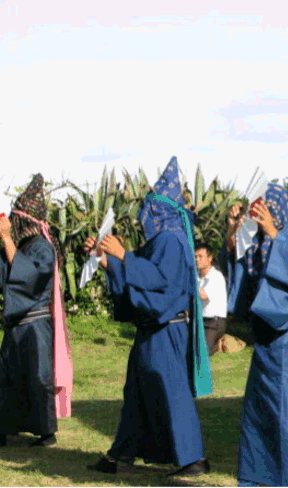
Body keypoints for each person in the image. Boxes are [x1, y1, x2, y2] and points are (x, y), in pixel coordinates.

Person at [86, 157, 212, 476]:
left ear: (161, 211)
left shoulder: (171, 240)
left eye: (150, 208)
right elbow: (137, 273)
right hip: (152, 330)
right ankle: (120, 455)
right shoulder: (160, 241)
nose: (144, 215)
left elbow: (159, 280)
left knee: (172, 392)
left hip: (166, 331)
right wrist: (105, 260)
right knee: (138, 393)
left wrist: (122, 255)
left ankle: (193, 457)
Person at [224, 183, 288, 487]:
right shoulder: (257, 242)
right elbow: (243, 280)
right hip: (267, 341)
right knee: (259, 414)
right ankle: (260, 480)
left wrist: (276, 237)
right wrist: (234, 234)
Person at [0, 174, 72, 448]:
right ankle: (4, 428)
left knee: (38, 376)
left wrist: (7, 242)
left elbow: (29, 278)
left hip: (35, 327)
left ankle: (46, 432)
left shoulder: (42, 247)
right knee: (7, 377)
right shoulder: (23, 247)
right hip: (16, 326)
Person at [195, 242, 228, 356]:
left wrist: (191, 281)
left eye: (200, 257)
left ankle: (218, 343)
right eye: (195, 257)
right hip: (200, 320)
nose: (197, 260)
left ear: (210, 258)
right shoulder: (197, 277)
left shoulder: (216, 276)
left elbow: (203, 296)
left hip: (215, 322)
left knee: (202, 353)